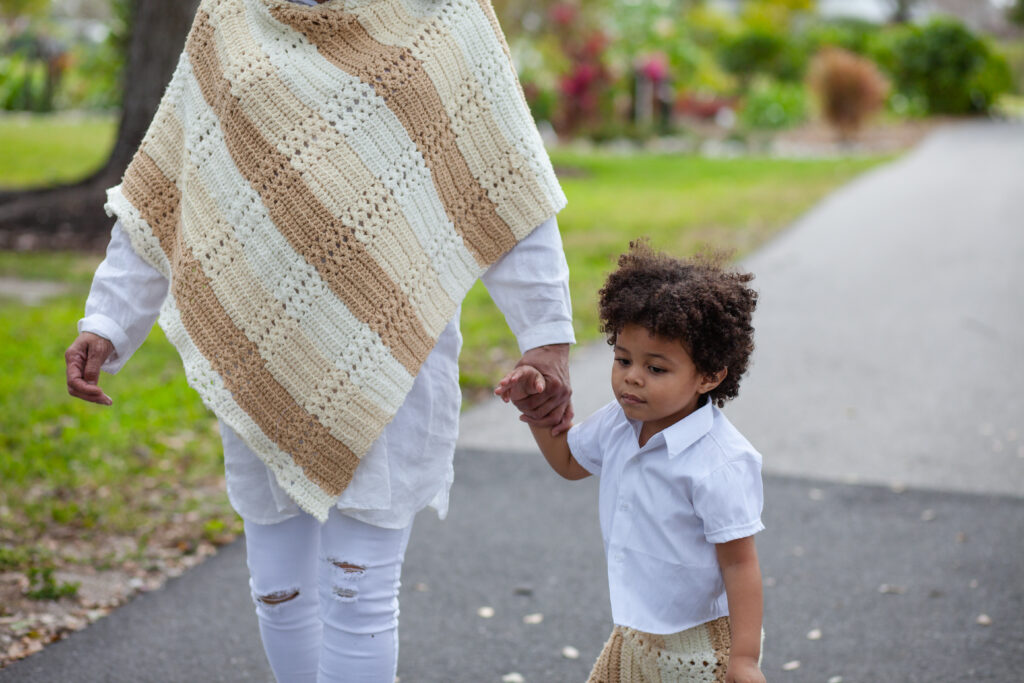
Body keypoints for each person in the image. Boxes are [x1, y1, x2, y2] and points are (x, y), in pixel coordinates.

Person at [65, 0, 573, 680]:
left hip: (390, 351)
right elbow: (165, 182)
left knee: (359, 592)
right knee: (278, 589)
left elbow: (505, 178)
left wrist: (547, 335)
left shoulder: (446, 15)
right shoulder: (229, 17)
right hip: (258, 344)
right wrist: (107, 319)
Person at [497, 241, 765, 683]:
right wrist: (537, 405)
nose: (631, 377)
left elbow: (740, 564)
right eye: (623, 359)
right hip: (634, 635)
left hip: (698, 644)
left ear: (710, 375)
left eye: (656, 368)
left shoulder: (721, 463)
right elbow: (567, 461)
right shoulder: (620, 422)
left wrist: (744, 660)